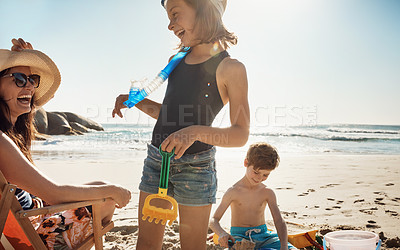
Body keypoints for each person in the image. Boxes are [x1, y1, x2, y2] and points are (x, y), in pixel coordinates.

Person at [112, 0, 250, 248]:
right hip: (158, 160)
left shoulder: (231, 68)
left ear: (205, 10)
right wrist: (137, 102)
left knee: (192, 245)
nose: (169, 25)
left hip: (196, 169)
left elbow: (240, 134)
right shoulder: (175, 60)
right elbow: (172, 117)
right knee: (145, 243)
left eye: (175, 15)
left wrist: (194, 133)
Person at [0, 39, 131, 249]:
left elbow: (48, 194)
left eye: (33, 79)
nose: (30, 86)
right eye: (18, 79)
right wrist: (114, 189)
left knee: (98, 188)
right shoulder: (1, 141)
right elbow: (54, 193)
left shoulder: (11, 134)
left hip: (30, 219)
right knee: (105, 199)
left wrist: (25, 60)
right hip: (33, 233)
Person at [209, 143, 297, 250]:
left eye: (265, 175)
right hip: (239, 238)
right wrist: (222, 233)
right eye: (256, 172)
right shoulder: (233, 191)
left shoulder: (267, 192)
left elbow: (279, 220)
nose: (259, 178)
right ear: (246, 162)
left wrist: (283, 246)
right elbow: (214, 220)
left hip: (265, 237)